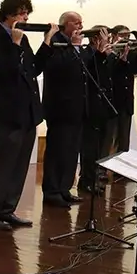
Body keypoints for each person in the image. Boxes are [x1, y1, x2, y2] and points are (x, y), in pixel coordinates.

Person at [0, 0, 48, 229]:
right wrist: (15, 46)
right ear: (8, 14)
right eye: (20, 12)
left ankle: (7, 209)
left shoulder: (23, 39)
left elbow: (33, 69)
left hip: (27, 111)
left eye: (27, 12)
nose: (25, 17)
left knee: (20, 163)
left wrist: (46, 44)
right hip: (8, 112)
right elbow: (3, 72)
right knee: (3, 162)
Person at [35, 11, 87, 207]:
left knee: (72, 150)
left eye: (82, 22)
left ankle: (64, 188)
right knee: (58, 150)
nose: (80, 26)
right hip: (59, 105)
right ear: (65, 24)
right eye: (76, 23)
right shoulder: (54, 40)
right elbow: (57, 68)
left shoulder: (77, 42)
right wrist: (74, 47)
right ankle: (52, 191)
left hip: (76, 106)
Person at [77, 25, 116, 192]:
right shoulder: (86, 52)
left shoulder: (103, 54)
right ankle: (86, 179)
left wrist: (111, 56)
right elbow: (90, 71)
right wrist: (100, 53)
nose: (106, 41)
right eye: (103, 37)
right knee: (89, 147)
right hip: (89, 106)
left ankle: (94, 177)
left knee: (100, 145)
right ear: (94, 39)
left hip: (103, 104)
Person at [108, 25, 137, 155]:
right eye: (122, 35)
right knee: (109, 137)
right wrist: (120, 56)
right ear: (113, 36)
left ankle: (120, 169)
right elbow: (110, 72)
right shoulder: (108, 51)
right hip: (111, 100)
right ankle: (103, 170)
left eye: (128, 36)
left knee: (124, 138)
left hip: (126, 99)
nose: (126, 38)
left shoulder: (132, 52)